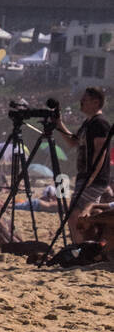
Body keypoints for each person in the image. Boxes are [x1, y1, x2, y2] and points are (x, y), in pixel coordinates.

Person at [56, 86, 111, 243]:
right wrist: (59, 124)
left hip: (93, 178)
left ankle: (80, 248)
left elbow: (100, 153)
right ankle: (87, 246)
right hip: (86, 176)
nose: (81, 102)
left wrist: (91, 178)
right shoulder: (89, 123)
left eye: (84, 100)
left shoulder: (99, 123)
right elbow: (73, 142)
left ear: (96, 102)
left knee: (76, 214)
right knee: (88, 214)